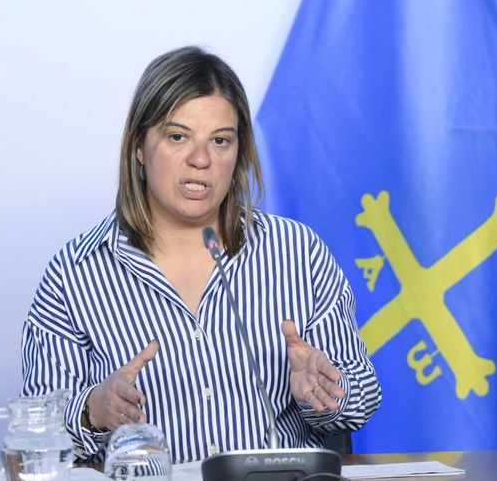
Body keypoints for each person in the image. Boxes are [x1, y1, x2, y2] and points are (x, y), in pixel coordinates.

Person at [21, 46, 381, 462]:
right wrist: (92, 412)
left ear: (238, 152)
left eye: (220, 141)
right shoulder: (74, 273)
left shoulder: (298, 252)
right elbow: (36, 432)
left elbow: (361, 398)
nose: (201, 160)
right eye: (178, 137)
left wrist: (325, 391)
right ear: (139, 146)